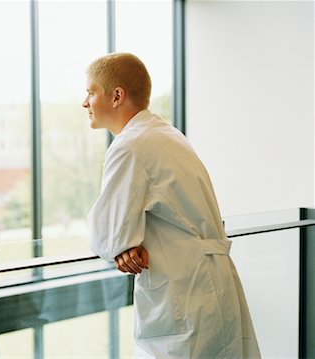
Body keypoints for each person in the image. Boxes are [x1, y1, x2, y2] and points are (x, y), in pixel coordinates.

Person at [83, 52, 261, 358]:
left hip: (184, 295)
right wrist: (124, 244)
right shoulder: (166, 134)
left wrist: (122, 245)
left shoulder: (130, 146)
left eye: (90, 92)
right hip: (207, 285)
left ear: (116, 96)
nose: (84, 103)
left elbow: (107, 237)